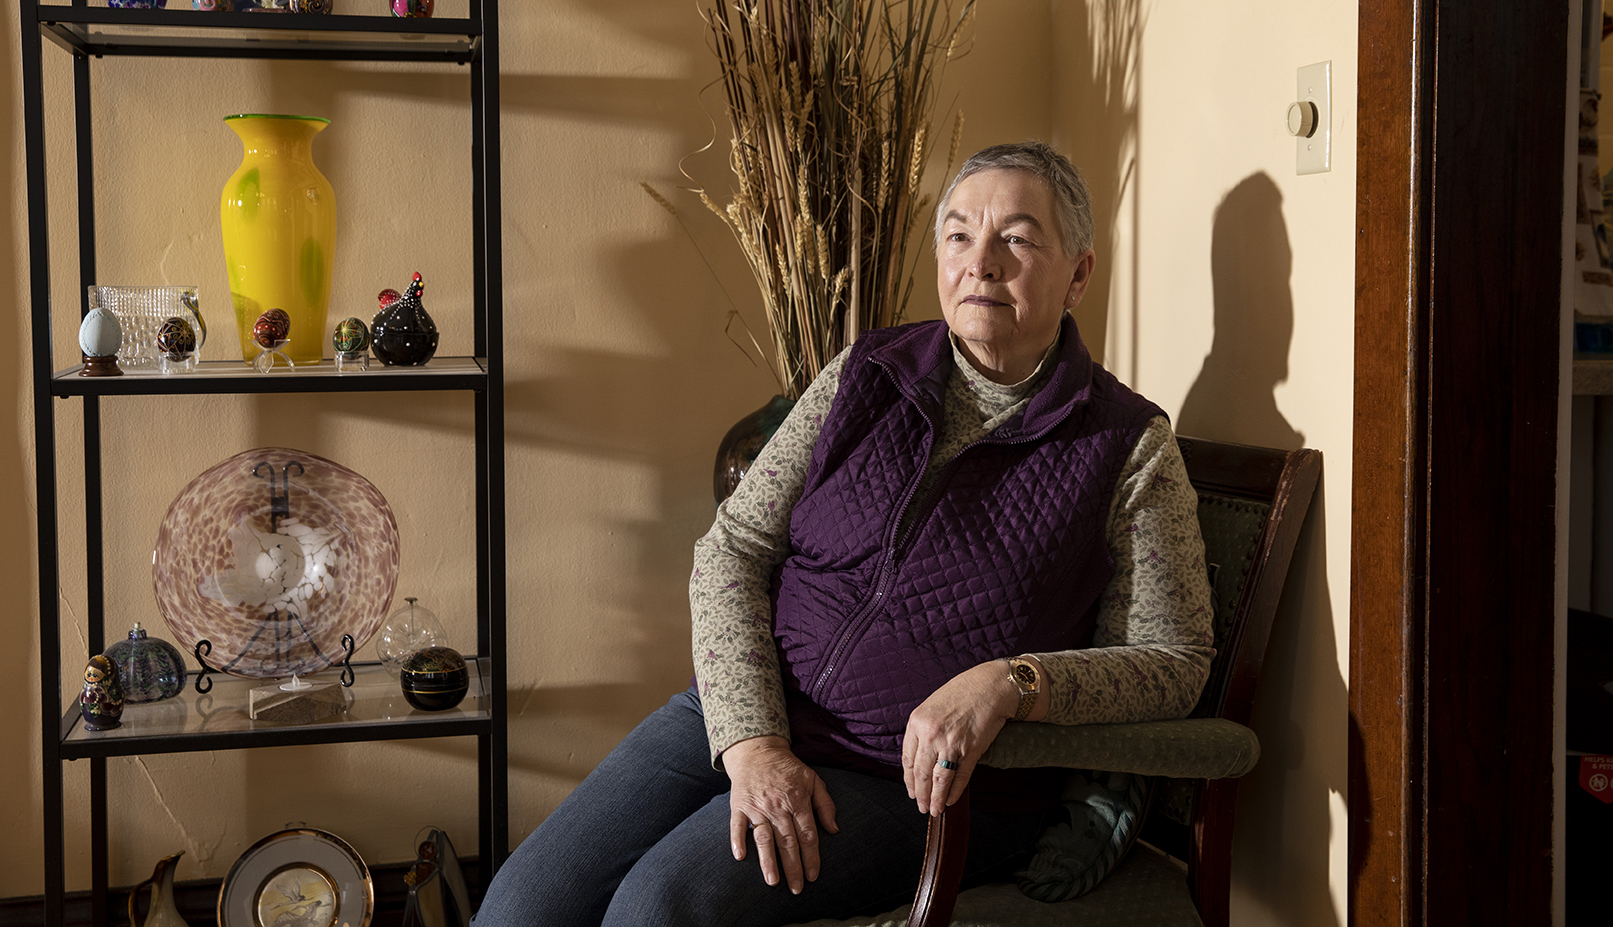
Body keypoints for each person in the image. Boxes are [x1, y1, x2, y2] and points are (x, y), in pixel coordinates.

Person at [473, 141, 1214, 927]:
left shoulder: (1126, 445)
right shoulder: (867, 371)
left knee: (657, 908)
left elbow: (1175, 663)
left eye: (1018, 238)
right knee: (523, 904)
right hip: (744, 712)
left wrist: (1011, 680)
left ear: (1079, 274)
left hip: (913, 780)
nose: (981, 262)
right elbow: (732, 550)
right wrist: (753, 741)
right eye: (959, 235)